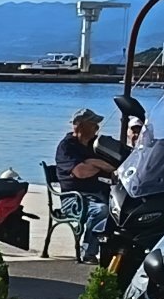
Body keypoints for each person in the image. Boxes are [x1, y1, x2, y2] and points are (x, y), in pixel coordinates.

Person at [53, 107, 126, 263]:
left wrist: (92, 162)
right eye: (93, 124)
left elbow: (114, 165)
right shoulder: (67, 147)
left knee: (126, 209)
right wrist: (98, 164)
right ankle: (88, 251)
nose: (97, 127)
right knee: (102, 210)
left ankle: (118, 253)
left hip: (101, 193)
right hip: (74, 198)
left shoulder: (96, 145)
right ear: (80, 126)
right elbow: (81, 172)